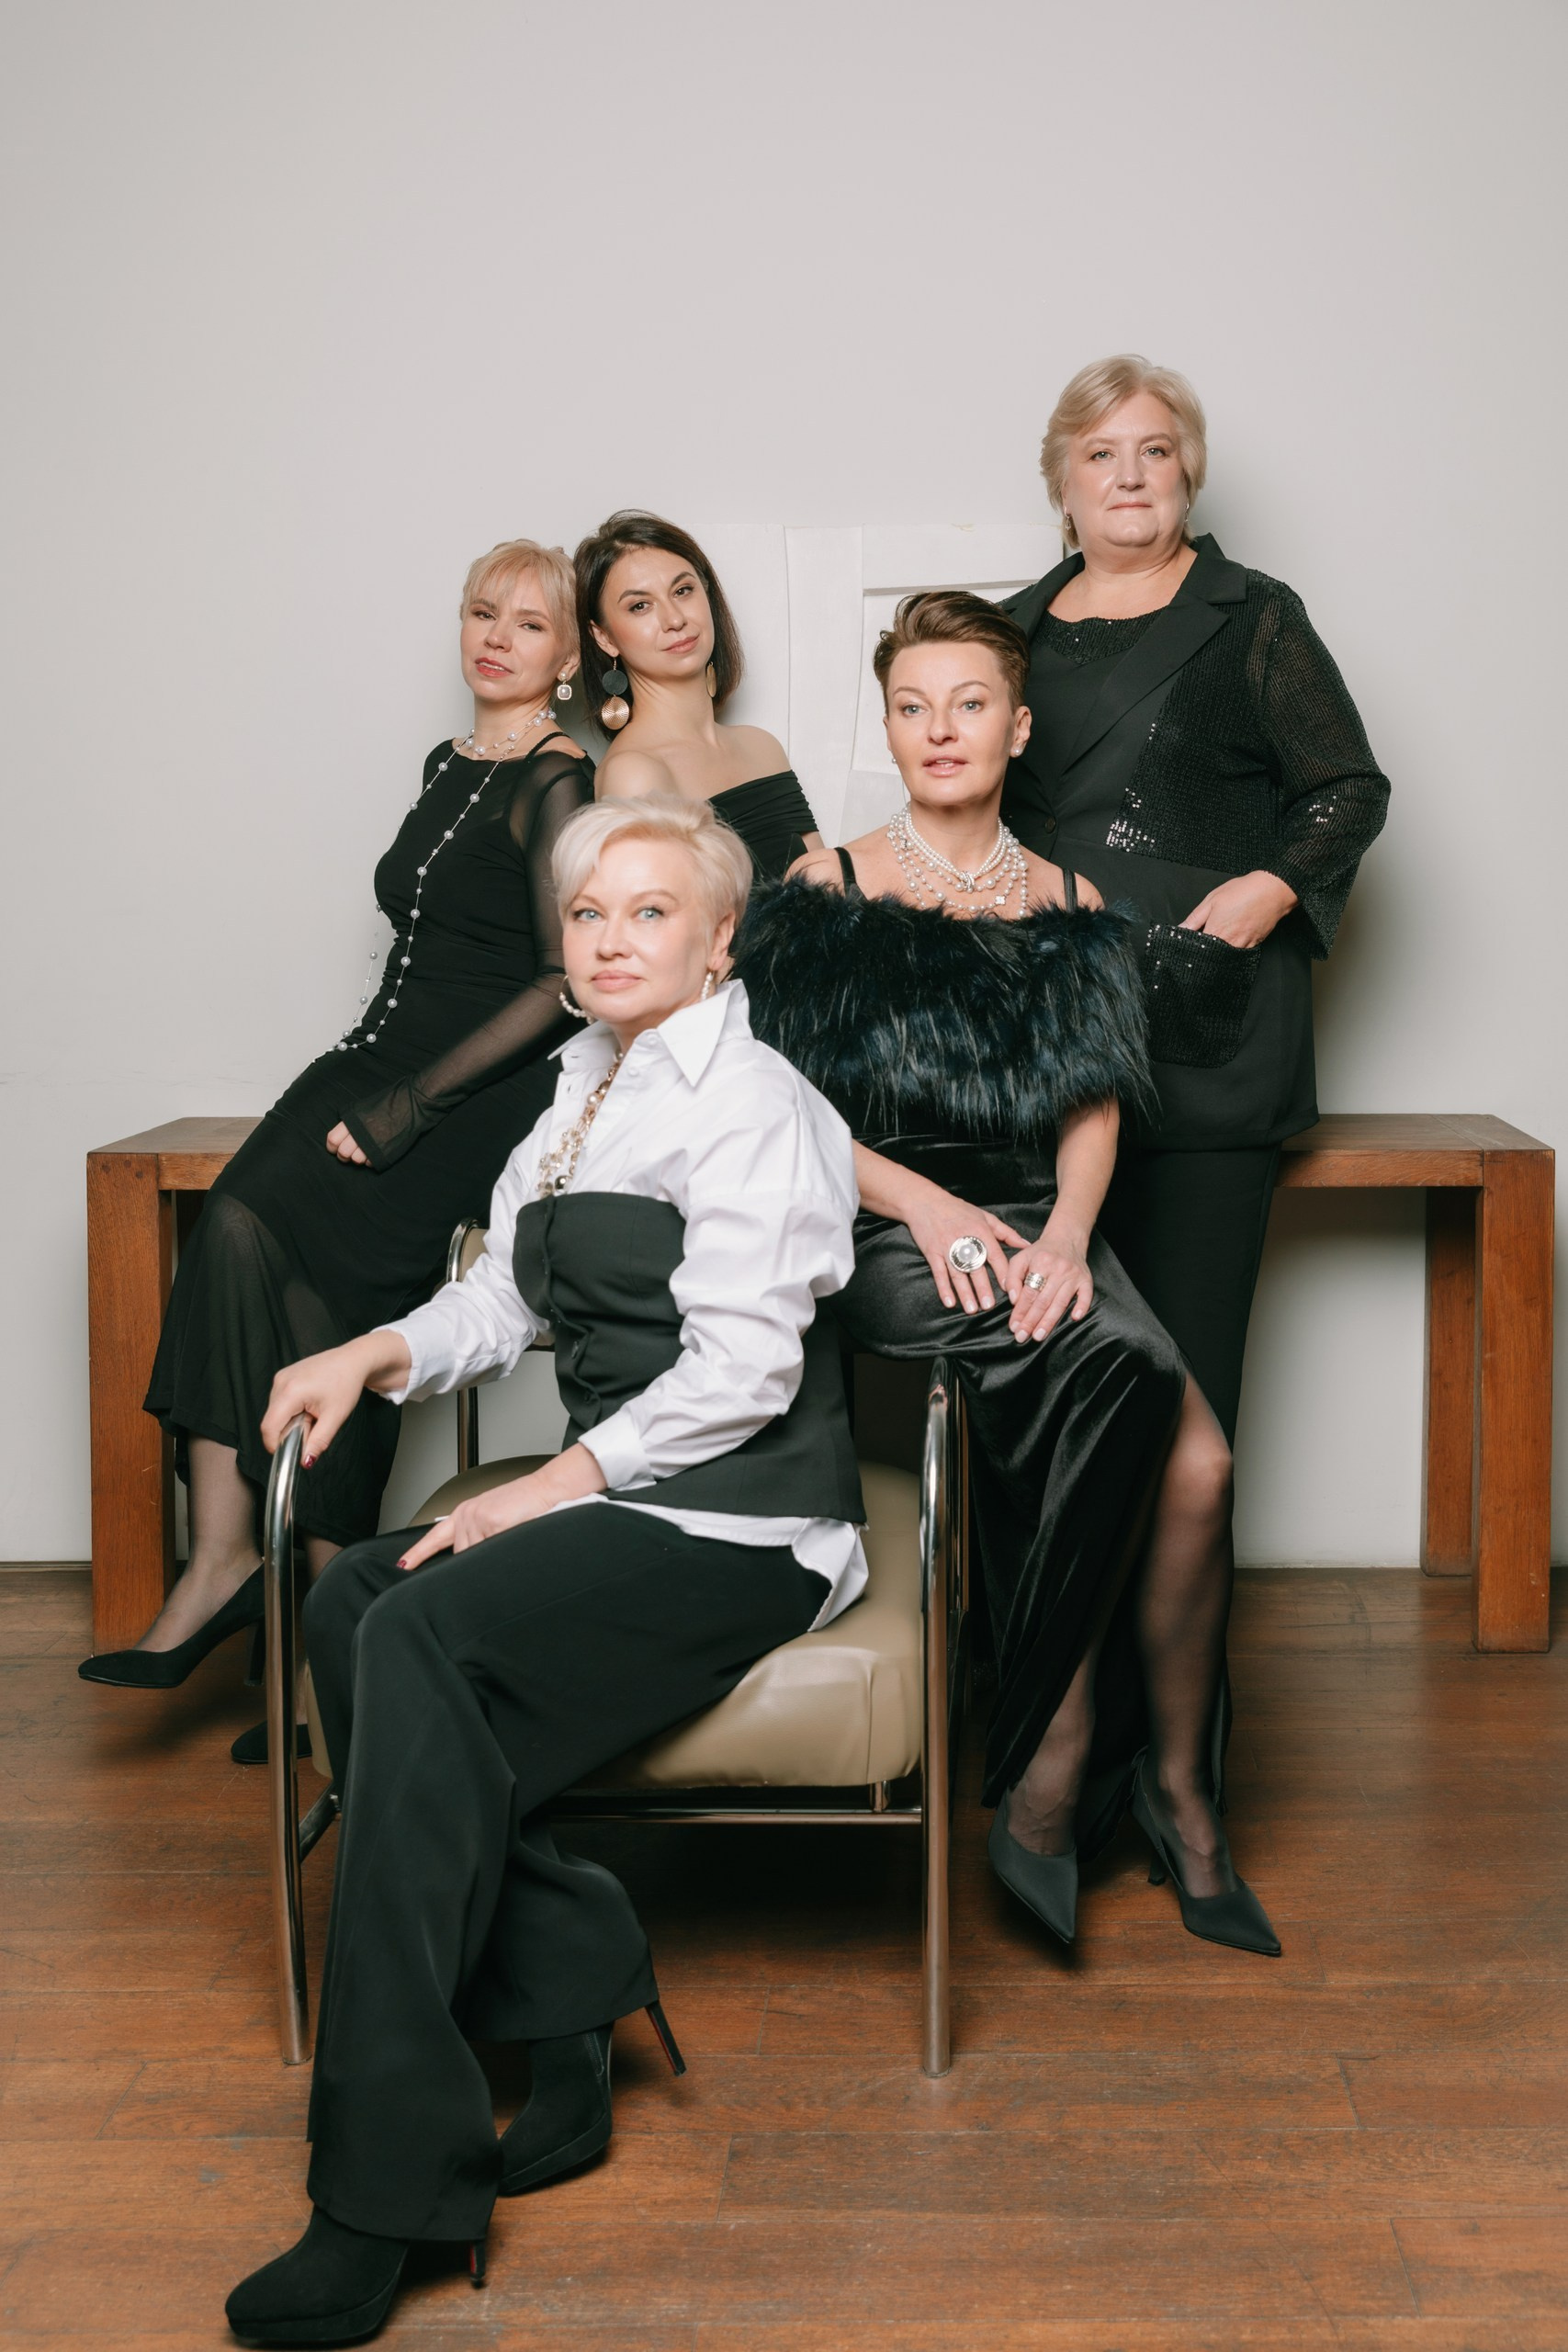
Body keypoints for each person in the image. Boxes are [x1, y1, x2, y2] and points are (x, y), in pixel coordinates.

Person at [223, 796, 864, 2347]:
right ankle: (568, 1988)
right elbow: (499, 1304)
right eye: (588, 914)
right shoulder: (581, 1084)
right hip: (617, 1500)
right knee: (350, 1598)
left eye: (651, 912)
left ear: (719, 940)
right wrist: (370, 1351)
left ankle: (384, 2192)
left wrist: (549, 1488)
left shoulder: (755, 1101)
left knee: (416, 1633)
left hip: (741, 1526)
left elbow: (743, 1374)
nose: (611, 939)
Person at [743, 591, 1277, 1959]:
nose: (940, 729)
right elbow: (781, 1116)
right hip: (887, 1225)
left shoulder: (1068, 898)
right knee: (1119, 1375)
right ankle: (1053, 1748)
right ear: (887, 727)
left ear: (1017, 727)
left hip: (1045, 1223)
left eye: (968, 703)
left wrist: (1067, 1236)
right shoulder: (826, 885)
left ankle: (1178, 1790)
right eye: (911, 706)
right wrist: (929, 1209)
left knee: (1202, 1468)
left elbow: (1092, 1108)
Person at [80, 541, 593, 1739]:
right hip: (368, 1056)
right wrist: (378, 1085)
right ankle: (226, 1562)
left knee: (337, 1304)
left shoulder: (560, 780)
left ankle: (322, 1635)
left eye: (529, 624)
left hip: (469, 1091)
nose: (497, 637)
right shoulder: (446, 762)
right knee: (235, 1231)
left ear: (569, 659)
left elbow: (562, 981)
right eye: (482, 612)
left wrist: (413, 1107)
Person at [574, 508, 826, 876]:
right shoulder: (633, 774)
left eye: (683, 590)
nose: (675, 619)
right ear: (605, 637)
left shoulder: (762, 747)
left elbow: (829, 891)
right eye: (640, 606)